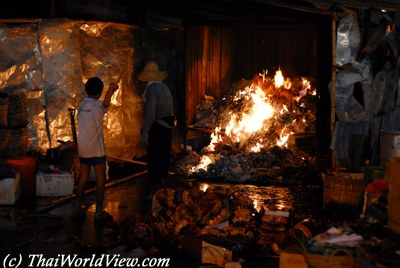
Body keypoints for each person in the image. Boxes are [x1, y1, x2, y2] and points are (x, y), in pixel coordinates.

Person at [71, 77, 118, 221]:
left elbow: (103, 102)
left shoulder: (81, 105)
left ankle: (77, 207)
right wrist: (111, 89)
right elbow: (106, 103)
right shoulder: (98, 106)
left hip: (84, 148)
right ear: (100, 92)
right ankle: (98, 211)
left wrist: (110, 89)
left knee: (83, 179)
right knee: (100, 179)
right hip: (96, 150)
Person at [138, 60, 175, 197]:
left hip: (158, 126)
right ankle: (163, 188)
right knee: (164, 157)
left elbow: (150, 113)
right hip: (168, 126)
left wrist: (145, 131)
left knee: (155, 159)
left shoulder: (152, 89)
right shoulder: (165, 88)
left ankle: (154, 191)